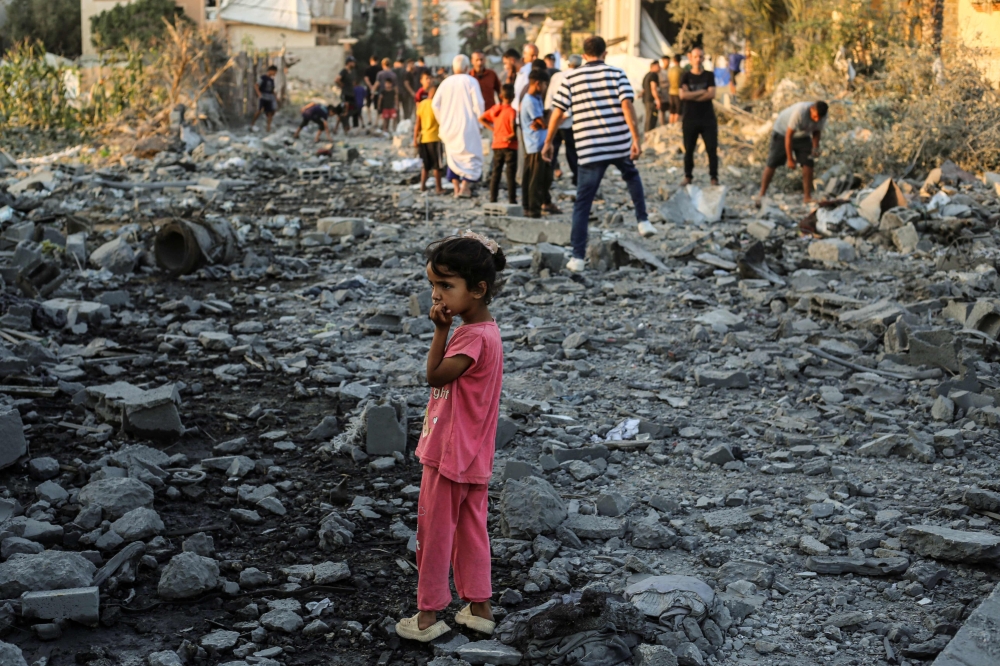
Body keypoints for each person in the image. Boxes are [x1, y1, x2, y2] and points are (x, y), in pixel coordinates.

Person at [394, 232, 506, 644]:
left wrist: (440, 331)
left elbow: (435, 375)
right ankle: (479, 608)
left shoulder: (469, 336)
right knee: (471, 530)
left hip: (448, 454)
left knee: (435, 531)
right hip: (474, 453)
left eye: (446, 286)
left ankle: (426, 616)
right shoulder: (489, 332)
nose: (436, 297)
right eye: (432, 286)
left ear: (478, 290)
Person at [543, 36, 655, 272]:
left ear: (584, 55)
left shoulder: (570, 78)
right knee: (632, 175)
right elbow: (627, 106)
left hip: (590, 148)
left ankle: (577, 257)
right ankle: (643, 220)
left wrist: (548, 142)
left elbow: (557, 112)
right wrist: (636, 138)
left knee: (583, 203)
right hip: (617, 143)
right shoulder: (617, 73)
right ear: (605, 54)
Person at [431, 55, 486, 199]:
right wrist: (480, 123)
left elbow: (434, 104)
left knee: (452, 157)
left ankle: (456, 189)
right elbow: (479, 104)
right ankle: (465, 187)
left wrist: (442, 120)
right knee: (470, 156)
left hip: (449, 126)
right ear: (467, 68)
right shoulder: (471, 81)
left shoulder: (445, 82)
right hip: (468, 126)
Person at [755, 100, 829, 206]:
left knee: (808, 163)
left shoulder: (823, 115)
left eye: (819, 118)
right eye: (815, 117)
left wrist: (815, 147)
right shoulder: (800, 112)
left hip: (802, 135)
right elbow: (788, 136)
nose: (816, 120)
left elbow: (817, 131)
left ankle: (807, 196)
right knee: (773, 162)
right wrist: (790, 159)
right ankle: (761, 194)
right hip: (782, 133)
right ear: (811, 109)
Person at [520, 70, 558, 218]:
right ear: (537, 83)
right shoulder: (530, 101)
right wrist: (550, 116)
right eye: (544, 84)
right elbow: (543, 123)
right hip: (535, 145)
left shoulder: (536, 99)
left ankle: (531, 206)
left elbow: (542, 121)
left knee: (540, 177)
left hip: (538, 143)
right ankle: (533, 209)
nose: (545, 87)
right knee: (535, 179)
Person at [679, 47, 718, 186]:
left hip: (707, 119)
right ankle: (688, 176)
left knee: (712, 149)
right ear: (691, 58)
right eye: (695, 56)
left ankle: (714, 177)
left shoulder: (709, 75)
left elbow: (712, 94)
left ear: (703, 58)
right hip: (690, 118)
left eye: (700, 57)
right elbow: (682, 95)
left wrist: (691, 95)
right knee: (688, 150)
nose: (698, 59)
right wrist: (702, 92)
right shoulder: (685, 76)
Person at [480, 84, 518, 204]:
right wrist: (512, 135)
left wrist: (492, 129)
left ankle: (493, 199)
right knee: (510, 174)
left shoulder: (495, 110)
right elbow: (512, 128)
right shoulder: (512, 111)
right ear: (514, 96)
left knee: (496, 172)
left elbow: (481, 118)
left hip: (497, 144)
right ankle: (512, 200)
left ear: (501, 96)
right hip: (509, 145)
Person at [545, 54, 580, 185]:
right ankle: (576, 178)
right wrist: (565, 115)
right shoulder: (577, 76)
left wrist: (552, 118)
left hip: (554, 120)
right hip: (569, 122)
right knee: (571, 151)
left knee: (552, 150)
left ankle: (548, 179)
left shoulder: (557, 76)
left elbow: (549, 99)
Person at [414, 82, 445, 195]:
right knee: (437, 165)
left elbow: (417, 123)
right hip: (435, 139)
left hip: (423, 138)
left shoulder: (422, 104)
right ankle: (438, 188)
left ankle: (422, 186)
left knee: (425, 165)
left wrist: (415, 139)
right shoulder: (438, 106)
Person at [249, 64, 278, 133]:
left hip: (270, 97)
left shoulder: (271, 80)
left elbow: (272, 90)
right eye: (274, 72)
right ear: (271, 71)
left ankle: (268, 128)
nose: (275, 74)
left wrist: (275, 97)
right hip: (263, 96)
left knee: (270, 112)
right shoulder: (263, 78)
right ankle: (252, 124)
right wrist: (259, 94)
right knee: (259, 110)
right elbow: (256, 85)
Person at [513, 42, 538, 110]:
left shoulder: (530, 68)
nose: (535, 58)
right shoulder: (525, 69)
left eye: (536, 55)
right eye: (532, 55)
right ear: (524, 54)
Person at [642, 60, 662, 134]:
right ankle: (649, 135)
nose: (659, 67)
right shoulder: (654, 75)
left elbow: (644, 89)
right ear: (653, 66)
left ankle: (647, 134)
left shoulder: (647, 75)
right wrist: (657, 100)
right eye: (658, 66)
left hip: (646, 100)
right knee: (651, 119)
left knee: (648, 118)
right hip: (651, 100)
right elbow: (653, 88)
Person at [363, 55, 381, 126]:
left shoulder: (367, 69)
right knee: (377, 105)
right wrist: (375, 87)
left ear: (370, 61)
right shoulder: (380, 69)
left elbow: (366, 79)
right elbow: (379, 80)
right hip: (378, 89)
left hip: (369, 89)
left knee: (368, 104)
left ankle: (369, 119)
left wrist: (371, 87)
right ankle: (376, 121)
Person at [666, 55, 683, 124]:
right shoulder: (681, 70)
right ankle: (675, 125)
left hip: (671, 91)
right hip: (678, 92)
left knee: (672, 111)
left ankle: (670, 124)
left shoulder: (670, 69)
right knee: (678, 110)